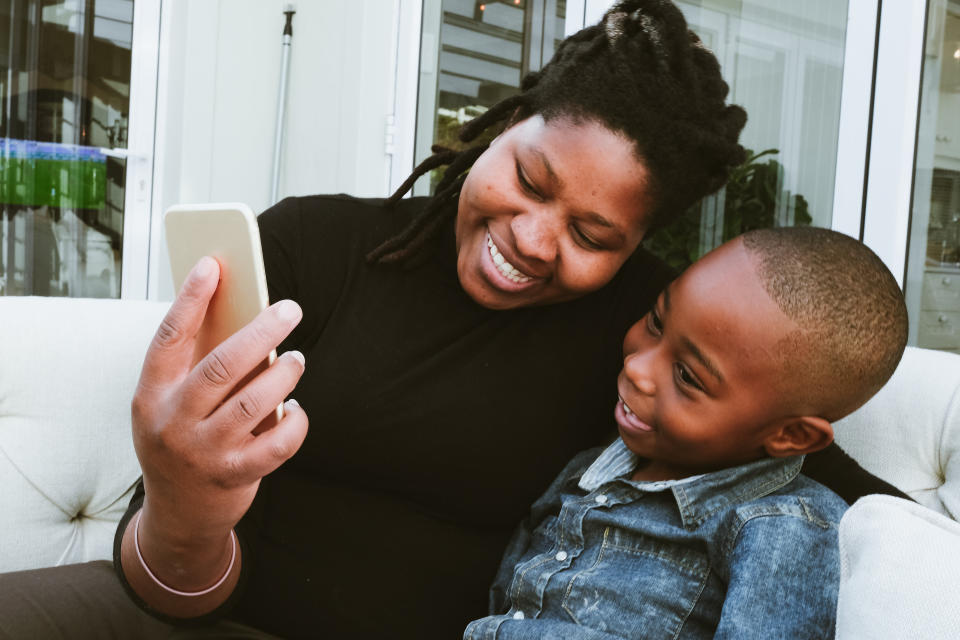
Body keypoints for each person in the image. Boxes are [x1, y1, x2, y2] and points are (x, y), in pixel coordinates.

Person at [0, 2, 907, 639]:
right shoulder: (315, 242)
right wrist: (184, 503)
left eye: (593, 233)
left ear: (639, 247)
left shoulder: (644, 337)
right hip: (174, 599)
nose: (533, 238)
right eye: (531, 179)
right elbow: (161, 588)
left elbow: (822, 474)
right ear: (502, 125)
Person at [464, 227, 909, 639]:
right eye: (657, 321)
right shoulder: (592, 468)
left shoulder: (782, 530)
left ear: (792, 436)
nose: (637, 369)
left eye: (687, 377)